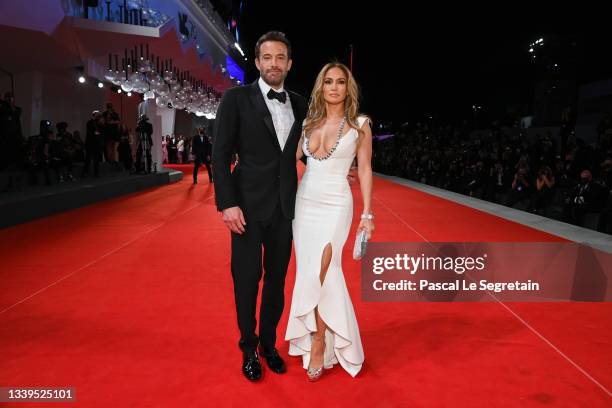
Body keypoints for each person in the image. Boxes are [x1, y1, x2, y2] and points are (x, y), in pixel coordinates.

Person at [212, 31, 308, 382]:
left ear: (289, 63)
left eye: (280, 57)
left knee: (277, 282)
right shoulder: (236, 99)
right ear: (256, 62)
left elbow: (308, 151)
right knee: (247, 280)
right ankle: (248, 347)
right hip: (247, 209)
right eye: (267, 57)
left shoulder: (299, 103)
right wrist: (228, 204)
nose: (274, 64)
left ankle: (269, 343)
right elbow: (220, 156)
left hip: (285, 209)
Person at [285, 62, 372, 381]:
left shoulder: (361, 124)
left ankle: (319, 340)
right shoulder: (308, 122)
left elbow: (364, 169)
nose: (334, 87)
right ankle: (318, 335)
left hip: (337, 203)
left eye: (340, 82)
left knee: (325, 267)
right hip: (305, 202)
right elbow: (289, 157)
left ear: (348, 88)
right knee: (309, 272)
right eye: (328, 82)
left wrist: (367, 214)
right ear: (321, 87)